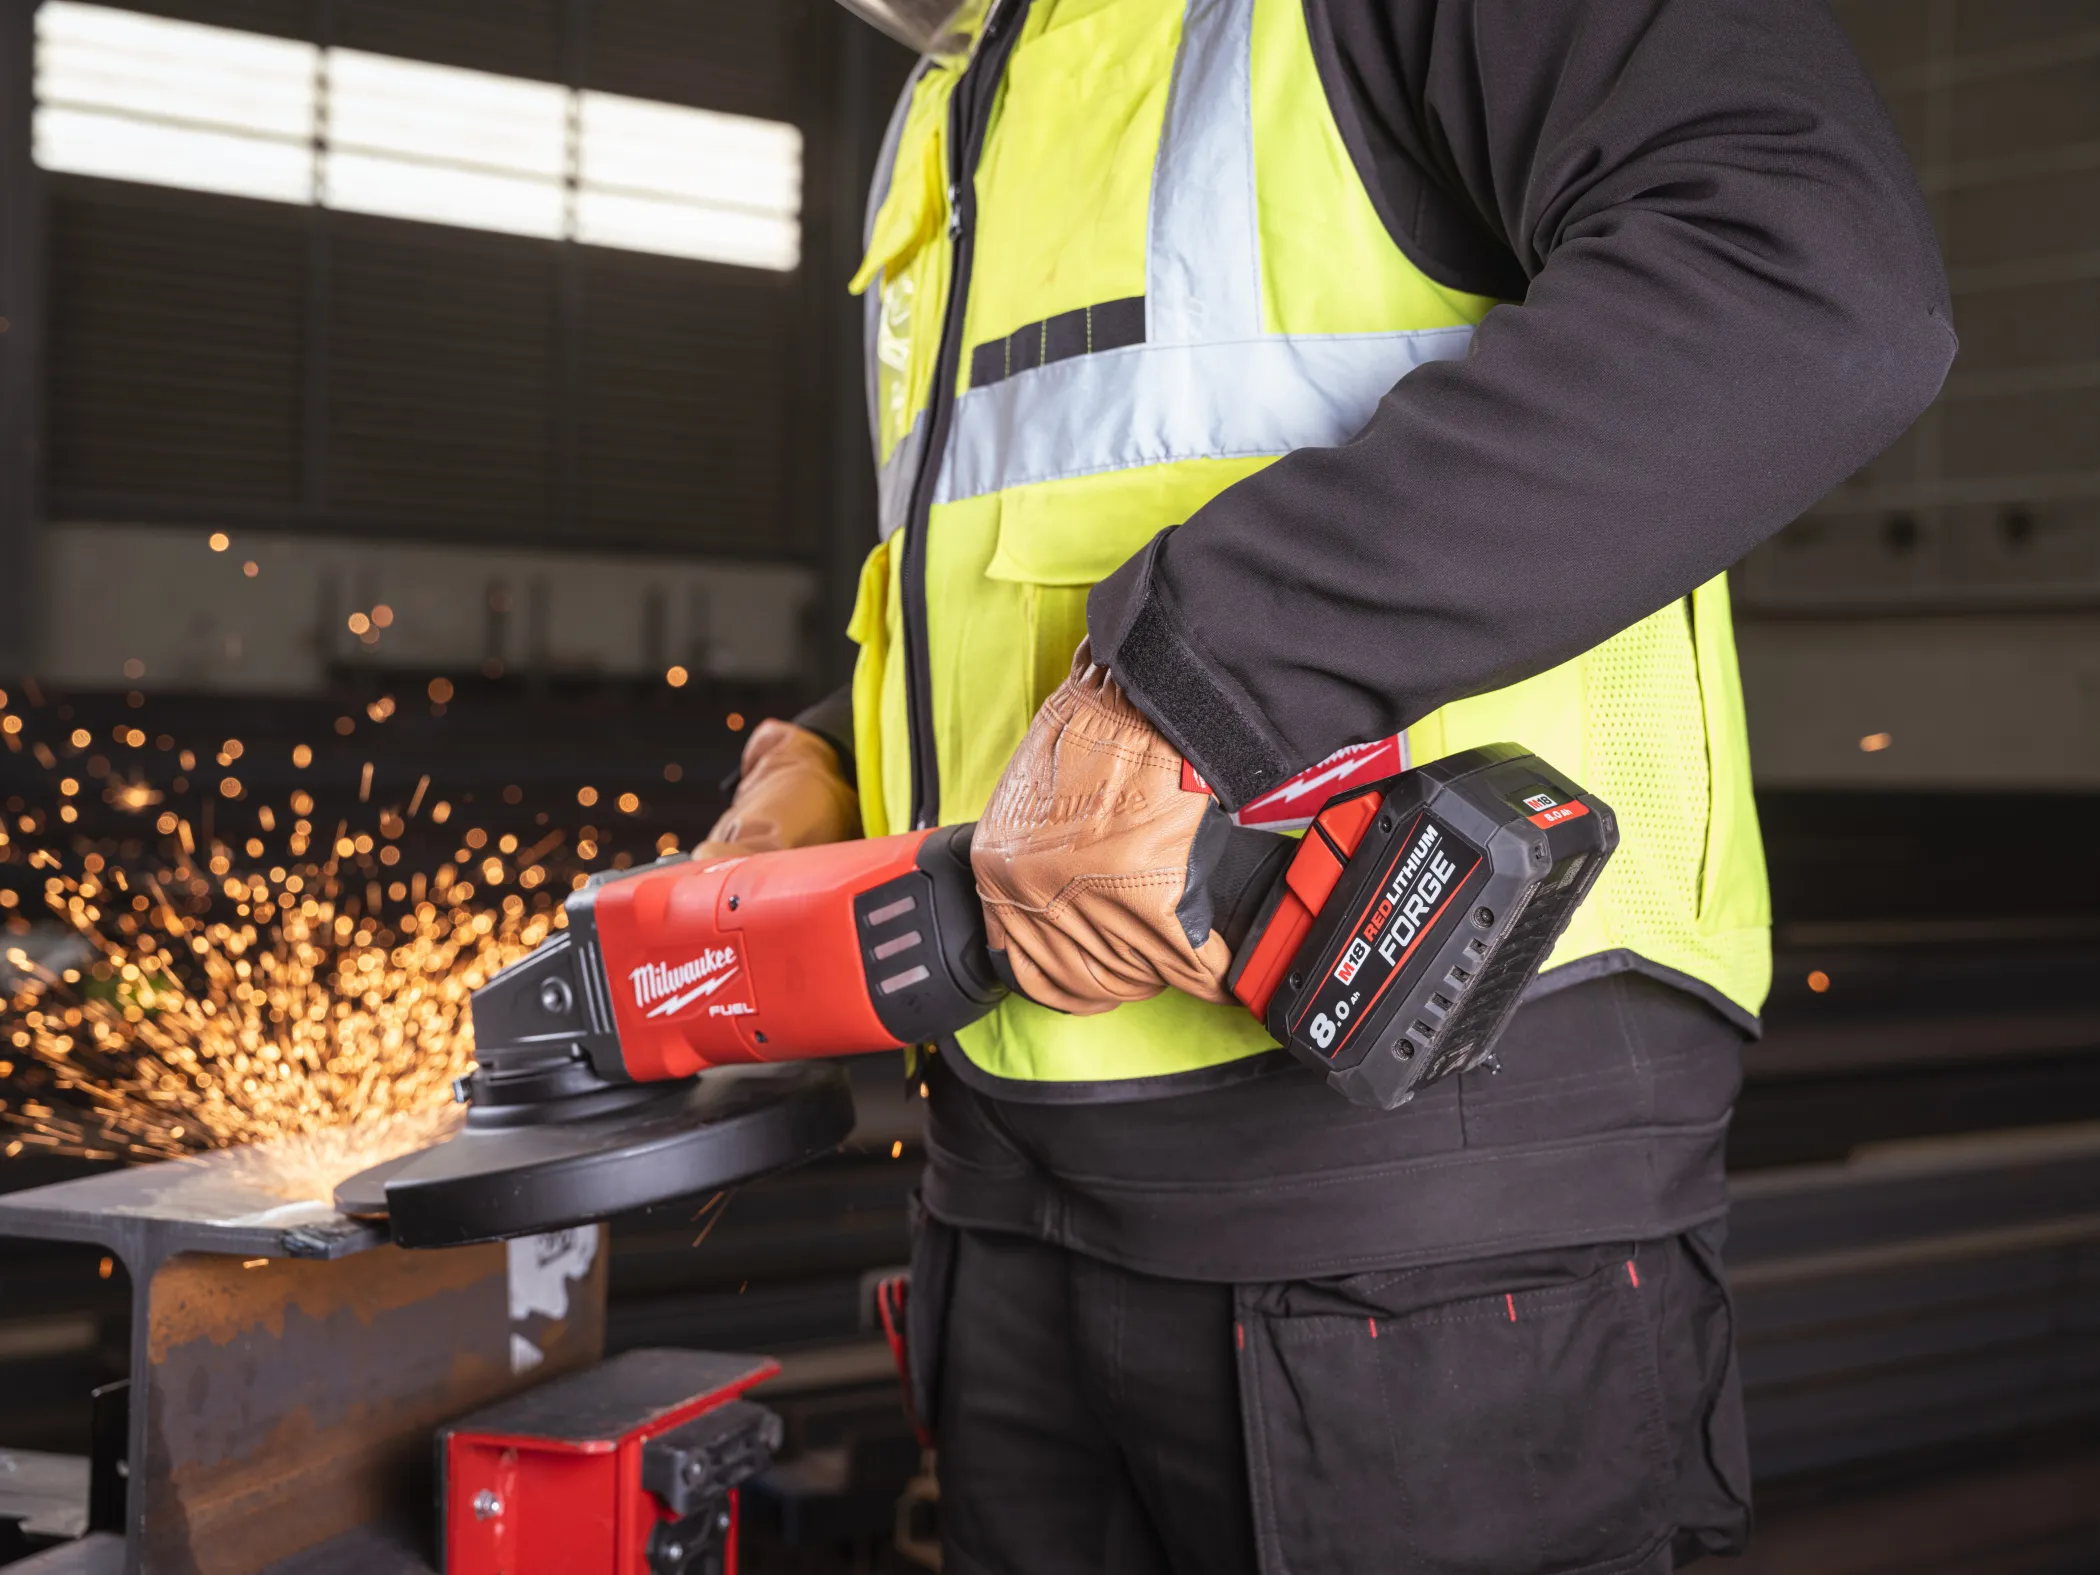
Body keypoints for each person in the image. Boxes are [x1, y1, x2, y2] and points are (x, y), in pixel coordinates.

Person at [698, 0, 1954, 1566]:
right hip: (1005, 1208)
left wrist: (1194, 684)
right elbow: (1033, 530)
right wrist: (840, 747)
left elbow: (1809, 278)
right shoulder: (958, 91)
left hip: (1418, 1199)